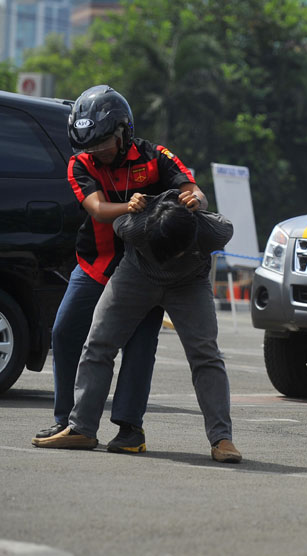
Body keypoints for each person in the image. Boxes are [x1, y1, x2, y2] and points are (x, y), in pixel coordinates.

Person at [33, 85, 206, 453]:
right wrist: (129, 206)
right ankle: (68, 421)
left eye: (102, 145)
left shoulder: (155, 156)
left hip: (145, 269)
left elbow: (192, 188)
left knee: (140, 345)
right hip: (95, 265)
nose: (96, 153)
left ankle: (130, 429)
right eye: (88, 147)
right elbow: (96, 208)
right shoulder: (80, 164)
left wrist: (194, 197)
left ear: (123, 132)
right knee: (65, 332)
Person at [33, 189, 242, 463]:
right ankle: (82, 428)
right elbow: (116, 221)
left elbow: (204, 203)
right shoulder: (132, 226)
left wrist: (198, 200)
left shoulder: (215, 230)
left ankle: (221, 439)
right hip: (136, 276)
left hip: (189, 285)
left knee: (206, 355)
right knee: (98, 344)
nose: (169, 260)